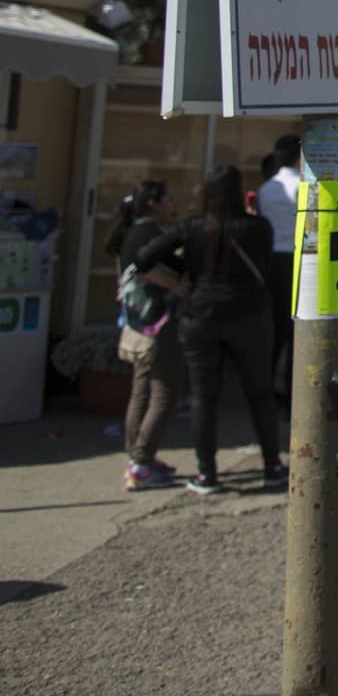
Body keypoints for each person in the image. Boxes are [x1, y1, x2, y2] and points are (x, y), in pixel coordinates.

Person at [134, 166, 285, 496]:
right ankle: (273, 467)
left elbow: (143, 257)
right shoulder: (259, 227)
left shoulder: (193, 227)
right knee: (260, 393)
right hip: (250, 316)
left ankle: (207, 474)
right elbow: (267, 265)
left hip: (200, 315)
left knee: (204, 396)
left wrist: (181, 274)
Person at [111, 181, 187, 490]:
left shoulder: (133, 232)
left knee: (142, 389)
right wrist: (176, 285)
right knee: (165, 390)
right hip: (159, 323)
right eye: (169, 198)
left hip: (137, 323)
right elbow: (146, 268)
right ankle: (141, 463)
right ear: (153, 204)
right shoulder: (151, 235)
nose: (173, 204)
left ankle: (138, 458)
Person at [254, 135, 301, 403]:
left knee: (276, 328)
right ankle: (294, 390)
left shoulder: (266, 188)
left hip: (272, 260)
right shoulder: (301, 185)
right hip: (295, 258)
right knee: (296, 328)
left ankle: (268, 386)